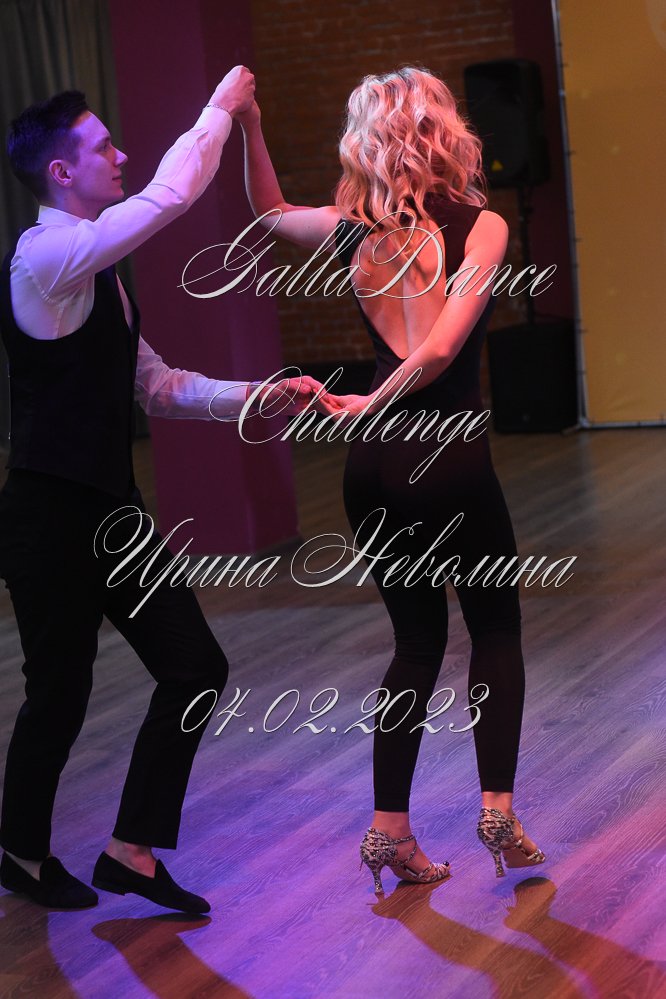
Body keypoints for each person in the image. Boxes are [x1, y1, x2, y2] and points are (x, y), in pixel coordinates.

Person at [0, 68, 324, 913]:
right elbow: (169, 196)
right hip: (47, 514)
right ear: (61, 172)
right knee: (59, 691)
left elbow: (158, 386)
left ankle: (131, 849)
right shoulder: (44, 256)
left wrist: (254, 396)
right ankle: (21, 852)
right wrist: (219, 109)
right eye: (103, 146)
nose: (121, 155)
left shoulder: (97, 274)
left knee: (195, 666)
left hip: (110, 507)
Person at [238, 66, 546, 892]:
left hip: (373, 463)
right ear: (443, 131)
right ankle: (497, 809)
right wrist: (374, 399)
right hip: (445, 450)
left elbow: (267, 213)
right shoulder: (481, 226)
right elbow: (441, 348)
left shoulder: (352, 230)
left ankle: (389, 829)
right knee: (496, 630)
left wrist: (250, 122)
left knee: (415, 643)